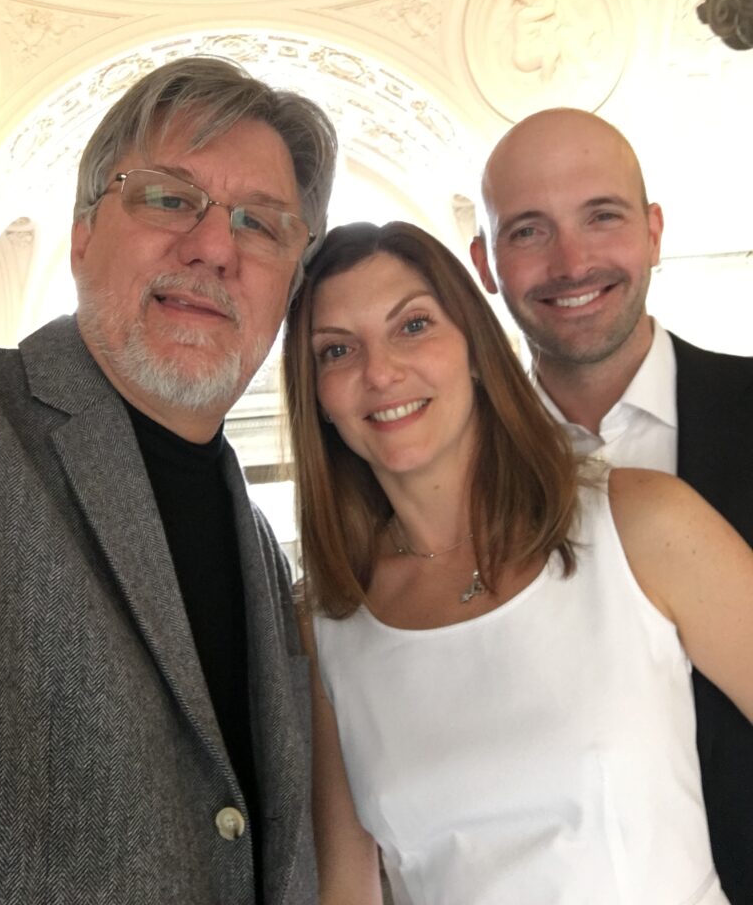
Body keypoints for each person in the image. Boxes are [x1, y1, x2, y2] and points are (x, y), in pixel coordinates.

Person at [282, 220, 753, 905]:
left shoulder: (643, 521)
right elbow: (347, 890)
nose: (379, 372)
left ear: (474, 347)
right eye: (336, 351)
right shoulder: (328, 620)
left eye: (412, 326)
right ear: (317, 397)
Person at [0, 55, 337, 904]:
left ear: (290, 285)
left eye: (260, 223)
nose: (214, 246)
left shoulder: (260, 549)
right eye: (170, 198)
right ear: (81, 236)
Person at [471, 107, 753, 904]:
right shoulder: (455, 491)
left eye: (603, 216)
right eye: (527, 231)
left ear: (655, 231)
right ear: (484, 264)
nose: (572, 261)